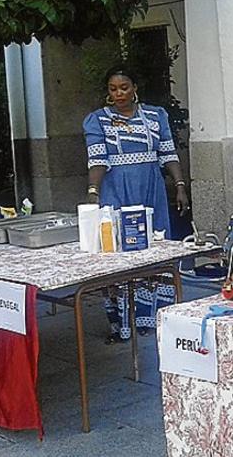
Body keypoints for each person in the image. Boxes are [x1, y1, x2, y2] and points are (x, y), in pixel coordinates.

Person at [83, 65, 189, 342]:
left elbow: (168, 153)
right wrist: (94, 192)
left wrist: (180, 186)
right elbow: (97, 160)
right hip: (116, 191)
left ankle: (154, 318)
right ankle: (123, 324)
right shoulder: (98, 121)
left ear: (135, 88)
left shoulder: (156, 116)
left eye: (124, 87)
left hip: (151, 190)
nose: (119, 93)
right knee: (120, 253)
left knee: (155, 249)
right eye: (113, 89)